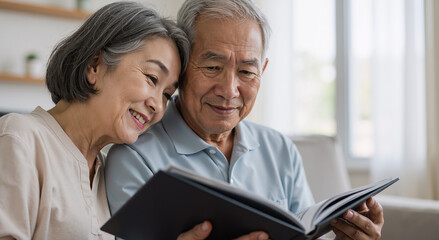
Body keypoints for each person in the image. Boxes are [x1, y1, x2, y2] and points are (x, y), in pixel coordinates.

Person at [105, 0, 384, 239]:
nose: (229, 90)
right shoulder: (134, 157)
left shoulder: (280, 150)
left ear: (262, 70)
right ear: (183, 66)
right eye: (213, 67)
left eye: (247, 72)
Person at [0, 2, 252, 239]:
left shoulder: (103, 170)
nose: (157, 105)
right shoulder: (19, 139)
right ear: (95, 65)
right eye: (152, 78)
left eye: (166, 94)